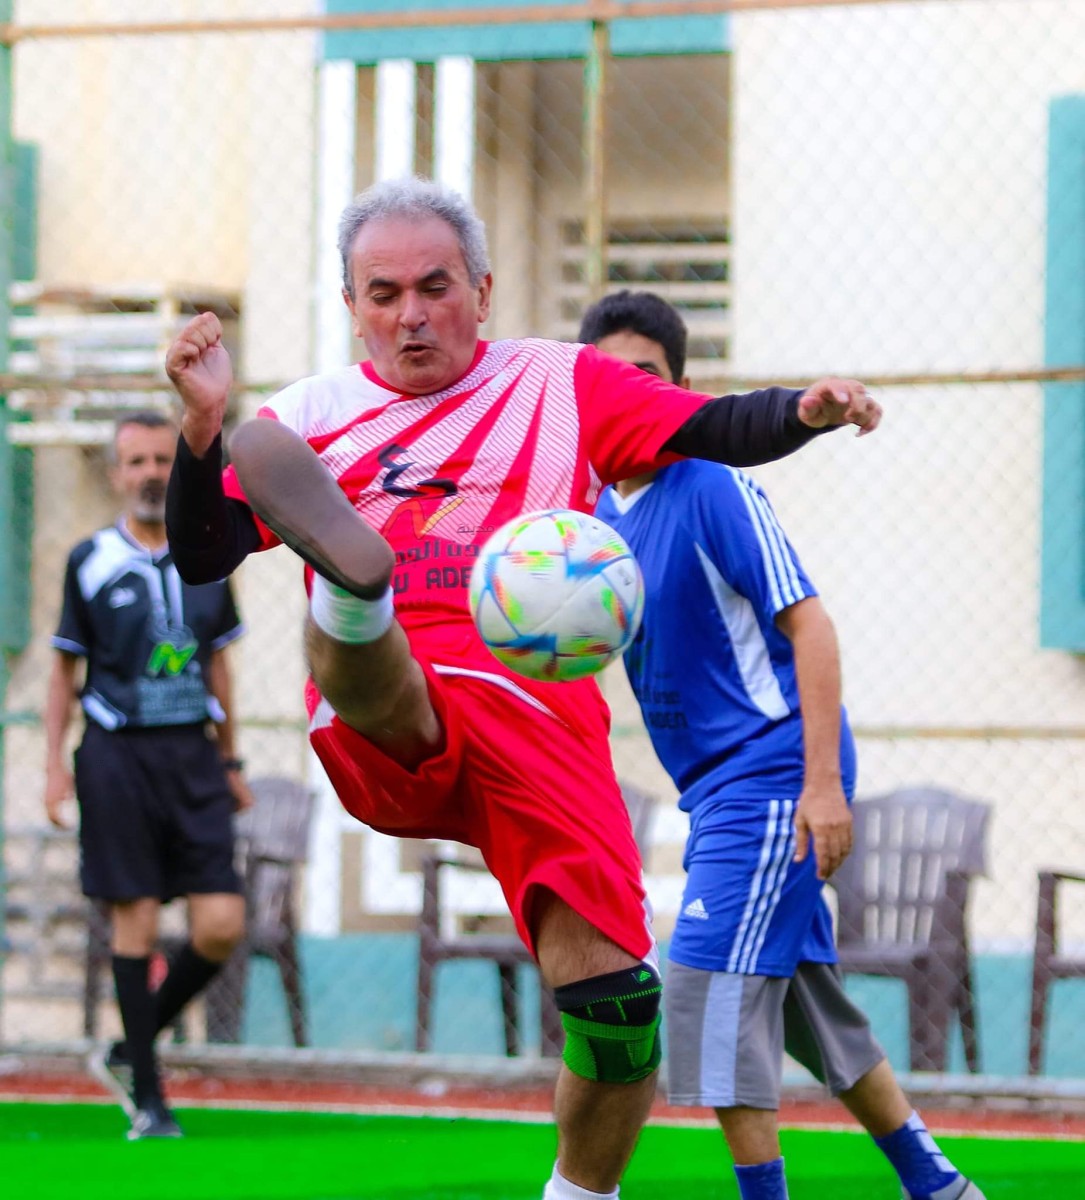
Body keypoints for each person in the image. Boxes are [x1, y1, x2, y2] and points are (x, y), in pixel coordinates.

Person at [163, 176, 880, 1200]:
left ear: (483, 290)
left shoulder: (560, 382)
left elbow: (707, 429)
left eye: (434, 286)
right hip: (396, 701)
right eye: (381, 293)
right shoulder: (310, 416)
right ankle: (352, 599)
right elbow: (200, 555)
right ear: (351, 305)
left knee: (620, 1012)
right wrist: (202, 429)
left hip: (541, 719)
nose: (410, 314)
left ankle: (576, 1194)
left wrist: (801, 414)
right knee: (390, 669)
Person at [584, 290, 984, 1200]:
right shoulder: (598, 522)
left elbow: (810, 628)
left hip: (772, 776)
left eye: (645, 377)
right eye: (609, 380)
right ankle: (938, 1184)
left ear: (682, 391)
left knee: (701, 984)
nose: (628, 393)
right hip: (717, 792)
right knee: (805, 1003)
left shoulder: (713, 484)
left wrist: (821, 789)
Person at [43, 410, 252, 1141]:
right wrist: (53, 774)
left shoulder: (207, 554)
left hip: (193, 757)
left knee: (222, 924)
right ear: (114, 474)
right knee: (134, 920)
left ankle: (130, 1046)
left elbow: (219, 662)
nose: (150, 474)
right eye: (135, 462)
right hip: (116, 757)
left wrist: (230, 760)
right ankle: (151, 1102)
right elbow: (63, 670)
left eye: (163, 459)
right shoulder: (90, 560)